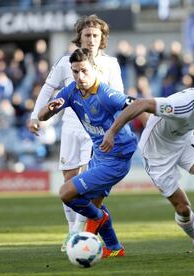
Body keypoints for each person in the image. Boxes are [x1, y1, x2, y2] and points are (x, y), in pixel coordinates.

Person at [100, 67, 194, 259]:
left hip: (183, 139)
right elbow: (142, 104)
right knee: (183, 209)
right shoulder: (180, 105)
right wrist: (111, 131)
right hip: (157, 152)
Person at [28, 14, 124, 252]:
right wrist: (34, 115)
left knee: (87, 185)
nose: (91, 40)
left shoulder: (111, 64)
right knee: (69, 181)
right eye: (87, 35)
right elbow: (49, 88)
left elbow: (120, 97)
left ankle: (76, 235)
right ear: (79, 37)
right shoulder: (65, 62)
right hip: (71, 125)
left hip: (98, 129)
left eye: (95, 35)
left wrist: (114, 129)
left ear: (102, 38)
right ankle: (74, 230)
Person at [38, 48, 137, 258]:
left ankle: (98, 218)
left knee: (66, 193)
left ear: (93, 69)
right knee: (92, 203)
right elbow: (42, 116)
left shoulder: (105, 94)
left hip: (116, 160)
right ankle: (114, 247)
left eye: (83, 71)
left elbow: (136, 105)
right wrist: (49, 108)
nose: (79, 76)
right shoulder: (71, 90)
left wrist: (117, 131)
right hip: (99, 157)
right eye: (75, 72)